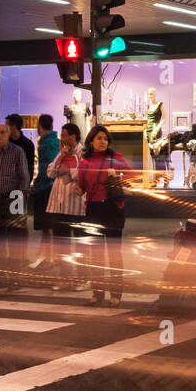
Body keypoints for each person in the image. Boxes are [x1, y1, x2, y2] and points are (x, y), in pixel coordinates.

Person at [76, 124, 133, 306]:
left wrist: (117, 175)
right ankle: (97, 292)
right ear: (91, 140)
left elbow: (133, 175)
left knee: (114, 254)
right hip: (93, 209)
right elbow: (82, 185)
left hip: (112, 208)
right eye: (99, 138)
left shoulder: (115, 157)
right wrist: (76, 189)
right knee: (96, 254)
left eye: (105, 139)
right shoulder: (85, 161)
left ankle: (116, 293)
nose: (103, 142)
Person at [0, 123, 31, 284]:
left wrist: (19, 199)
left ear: (8, 134)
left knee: (14, 239)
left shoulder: (17, 152)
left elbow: (24, 177)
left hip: (13, 198)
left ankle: (15, 278)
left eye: (3, 133)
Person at [46, 122, 86, 289]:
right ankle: (64, 278)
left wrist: (68, 170)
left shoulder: (83, 152)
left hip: (75, 205)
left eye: (64, 135)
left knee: (78, 243)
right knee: (61, 242)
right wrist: (61, 158)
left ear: (73, 136)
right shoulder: (62, 151)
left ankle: (81, 279)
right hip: (58, 203)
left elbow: (85, 173)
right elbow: (50, 172)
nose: (61, 138)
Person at [30, 115, 60, 269]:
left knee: (46, 225)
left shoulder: (44, 142)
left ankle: (48, 257)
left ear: (40, 125)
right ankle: (45, 255)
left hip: (45, 187)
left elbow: (44, 167)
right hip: (52, 187)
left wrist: (36, 183)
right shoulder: (56, 141)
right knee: (48, 225)